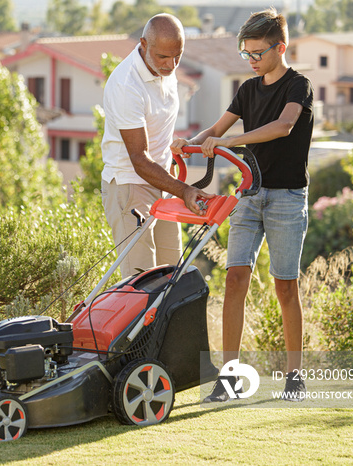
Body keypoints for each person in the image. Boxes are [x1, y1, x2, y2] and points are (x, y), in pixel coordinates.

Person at [171, 8, 313, 402]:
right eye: (245, 53)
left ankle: (294, 377)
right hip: (249, 196)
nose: (250, 60)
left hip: (287, 198)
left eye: (256, 53)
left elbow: (283, 127)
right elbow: (215, 131)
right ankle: (229, 378)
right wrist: (191, 143)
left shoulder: (298, 86)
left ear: (279, 47)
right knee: (235, 281)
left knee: (286, 288)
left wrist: (232, 142)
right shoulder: (248, 90)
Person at [101, 13, 214, 279]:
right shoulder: (127, 85)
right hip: (130, 185)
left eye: (178, 55)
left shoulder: (166, 68)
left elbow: (158, 120)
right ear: (143, 44)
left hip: (162, 182)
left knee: (173, 277)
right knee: (141, 284)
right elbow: (139, 159)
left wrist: (175, 152)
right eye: (164, 57)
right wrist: (185, 190)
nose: (171, 64)